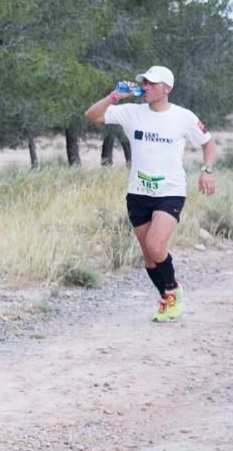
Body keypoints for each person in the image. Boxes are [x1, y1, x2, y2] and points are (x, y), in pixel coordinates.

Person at [84, 65, 217, 322]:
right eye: (144, 82)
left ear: (167, 88)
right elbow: (92, 115)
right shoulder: (132, 112)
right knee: (148, 255)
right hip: (138, 193)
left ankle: (173, 290)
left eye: (151, 84)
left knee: (157, 246)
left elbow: (208, 144)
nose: (145, 87)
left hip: (170, 191)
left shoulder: (184, 117)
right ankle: (168, 299)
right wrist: (115, 96)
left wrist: (207, 170)